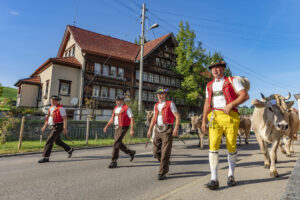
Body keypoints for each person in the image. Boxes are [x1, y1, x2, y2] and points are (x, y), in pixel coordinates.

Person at [201, 60, 249, 190]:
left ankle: (231, 175)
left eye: (218, 67)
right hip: (214, 116)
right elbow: (207, 103)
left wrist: (231, 105)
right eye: (213, 68)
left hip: (230, 116)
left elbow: (245, 96)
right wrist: (204, 120)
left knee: (231, 146)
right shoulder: (209, 85)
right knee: (213, 145)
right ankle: (214, 179)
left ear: (223, 69)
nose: (215, 70)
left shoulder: (232, 80)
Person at [147, 87, 181, 180]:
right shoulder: (156, 105)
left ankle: (162, 172)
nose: (159, 96)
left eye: (161, 94)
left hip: (167, 129)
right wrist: (150, 129)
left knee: (165, 152)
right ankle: (165, 163)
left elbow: (177, 117)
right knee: (155, 151)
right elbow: (154, 118)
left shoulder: (170, 104)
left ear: (165, 95)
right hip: (157, 129)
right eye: (158, 94)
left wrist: (176, 128)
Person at [38, 95, 73, 163]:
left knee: (49, 140)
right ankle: (69, 149)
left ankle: (46, 157)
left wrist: (65, 128)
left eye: (54, 100)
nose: (52, 101)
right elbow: (48, 118)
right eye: (52, 100)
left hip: (58, 126)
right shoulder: (50, 108)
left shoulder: (61, 109)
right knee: (57, 141)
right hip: (53, 126)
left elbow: (65, 119)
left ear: (57, 101)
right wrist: (44, 126)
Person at [104, 95, 136, 168]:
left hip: (123, 127)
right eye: (116, 101)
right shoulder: (115, 108)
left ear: (122, 101)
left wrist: (132, 129)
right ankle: (131, 153)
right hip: (116, 127)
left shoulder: (127, 108)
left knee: (116, 143)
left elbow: (132, 118)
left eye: (119, 101)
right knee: (118, 143)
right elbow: (112, 119)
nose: (117, 102)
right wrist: (106, 126)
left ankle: (113, 161)